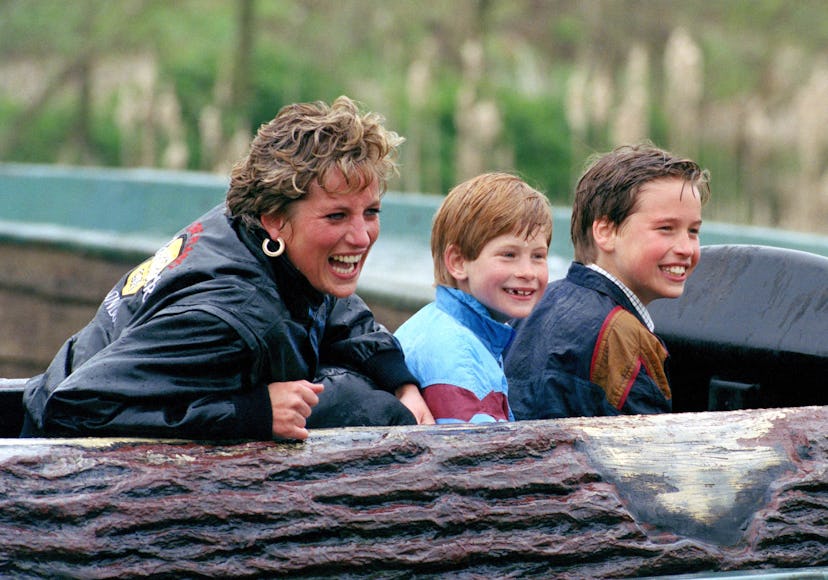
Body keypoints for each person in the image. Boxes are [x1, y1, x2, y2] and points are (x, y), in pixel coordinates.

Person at [21, 95, 434, 440]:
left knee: (368, 396)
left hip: (78, 389)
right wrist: (252, 413)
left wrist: (401, 381)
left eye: (372, 212)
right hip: (59, 478)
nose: (361, 237)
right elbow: (73, 407)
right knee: (370, 411)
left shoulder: (253, 234)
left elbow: (333, 306)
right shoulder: (232, 315)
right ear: (275, 218)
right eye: (336, 217)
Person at [505, 143, 711, 420]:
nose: (686, 248)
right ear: (605, 232)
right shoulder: (624, 337)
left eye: (693, 231)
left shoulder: (536, 304)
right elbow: (649, 453)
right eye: (666, 229)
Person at [394, 172, 553, 424]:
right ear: (458, 262)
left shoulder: (442, 324)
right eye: (508, 255)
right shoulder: (461, 361)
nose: (527, 272)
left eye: (538, 256)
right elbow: (475, 459)